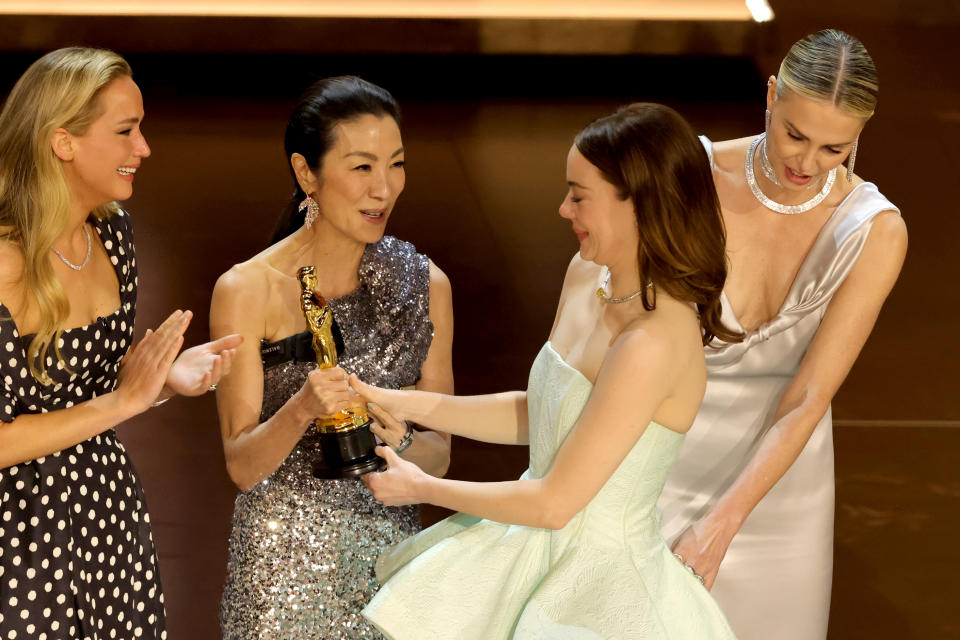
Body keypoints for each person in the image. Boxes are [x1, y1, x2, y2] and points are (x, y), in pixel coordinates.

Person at [351, 103, 741, 639]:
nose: (563, 209)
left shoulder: (653, 342)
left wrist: (423, 488)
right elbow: (546, 414)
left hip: (597, 592)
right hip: (528, 540)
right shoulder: (588, 274)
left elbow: (556, 503)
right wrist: (405, 402)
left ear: (639, 204)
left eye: (579, 196)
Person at [657, 29, 907, 640]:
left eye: (834, 148)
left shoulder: (875, 231)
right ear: (770, 95)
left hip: (779, 489)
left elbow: (807, 397)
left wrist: (723, 522)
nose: (806, 162)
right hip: (656, 460)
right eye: (795, 134)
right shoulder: (689, 176)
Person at [0, 47, 241, 639]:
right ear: (64, 142)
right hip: (16, 534)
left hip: (105, 514)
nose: (145, 148)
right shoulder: (4, 261)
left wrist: (162, 381)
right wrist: (123, 402)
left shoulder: (112, 234)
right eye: (126, 131)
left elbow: (96, 393)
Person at [210, 76, 453, 639]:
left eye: (395, 165)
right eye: (362, 167)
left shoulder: (426, 286)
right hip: (279, 571)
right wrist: (300, 409)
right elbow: (242, 467)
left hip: (390, 569)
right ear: (305, 173)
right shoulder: (246, 289)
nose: (384, 189)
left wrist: (404, 440)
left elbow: (439, 458)